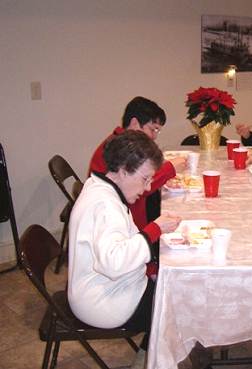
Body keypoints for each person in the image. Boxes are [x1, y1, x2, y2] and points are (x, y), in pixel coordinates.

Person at [68, 131, 181, 369]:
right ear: (122, 170)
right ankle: (154, 359)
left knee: (173, 288)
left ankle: (149, 355)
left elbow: (123, 242)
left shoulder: (102, 186)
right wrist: (154, 230)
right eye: (145, 178)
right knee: (179, 306)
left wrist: (149, 268)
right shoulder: (105, 204)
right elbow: (113, 262)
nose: (149, 186)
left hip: (106, 287)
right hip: (102, 302)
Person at [89, 96, 185, 279]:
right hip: (130, 229)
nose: (155, 135)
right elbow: (140, 189)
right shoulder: (116, 151)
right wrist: (169, 169)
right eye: (153, 128)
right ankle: (152, 268)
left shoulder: (121, 144)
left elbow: (140, 183)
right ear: (134, 123)